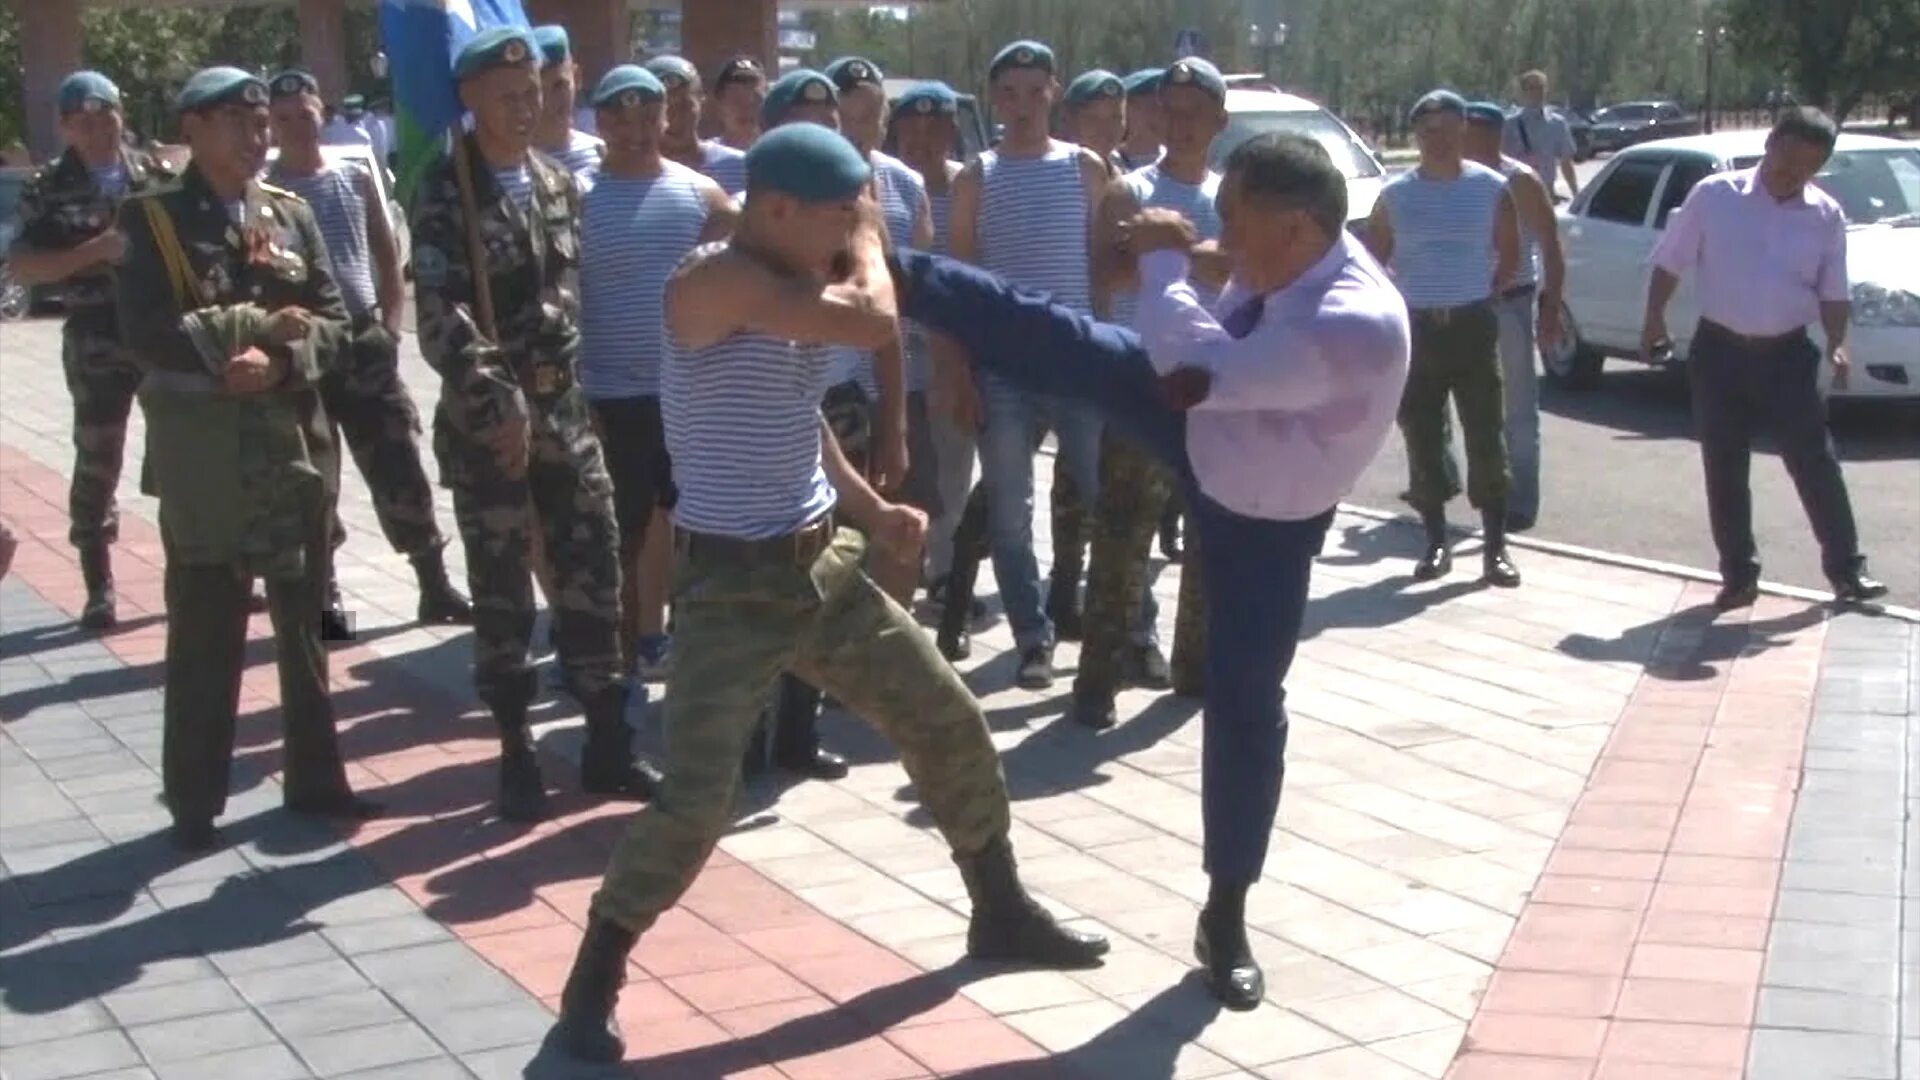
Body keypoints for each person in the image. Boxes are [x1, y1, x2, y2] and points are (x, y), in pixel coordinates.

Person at [540, 123, 1109, 1064]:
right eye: (837, 217)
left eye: (856, 218)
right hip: (729, 585)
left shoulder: (792, 291)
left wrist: (873, 509)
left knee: (947, 716)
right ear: (773, 210)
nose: (850, 232)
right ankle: (591, 983)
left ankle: (1000, 910)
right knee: (695, 802)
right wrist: (876, 244)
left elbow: (797, 420)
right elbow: (874, 320)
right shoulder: (712, 283)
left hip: (821, 568)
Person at [893, 131, 1409, 1009]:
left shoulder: (1352, 322)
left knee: (1248, 709)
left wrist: (1168, 264)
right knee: (1059, 336)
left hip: (1263, 520)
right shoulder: (1300, 250)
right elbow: (1217, 319)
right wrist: (1207, 261)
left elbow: (1193, 368)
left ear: (1296, 225)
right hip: (1208, 427)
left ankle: (1226, 915)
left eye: (1236, 215)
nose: (1222, 229)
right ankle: (890, 266)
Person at [115, 67, 384, 851]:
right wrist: (243, 344)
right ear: (190, 127)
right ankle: (194, 801)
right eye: (235, 118)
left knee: (307, 623)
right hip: (208, 461)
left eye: (261, 118)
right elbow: (146, 330)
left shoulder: (289, 214)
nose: (255, 132)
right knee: (205, 628)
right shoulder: (154, 218)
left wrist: (286, 365)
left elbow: (339, 322)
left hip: (294, 450)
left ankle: (316, 780)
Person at [409, 27, 660, 822]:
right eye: (509, 96)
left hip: (566, 413)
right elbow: (438, 314)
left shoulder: (558, 183)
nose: (527, 107)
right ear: (471, 99)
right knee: (503, 590)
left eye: (538, 93)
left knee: (595, 571)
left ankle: (606, 743)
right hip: (495, 426)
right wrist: (495, 398)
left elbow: (569, 302)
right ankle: (515, 747)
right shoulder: (446, 187)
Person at [1642, 107, 1887, 609]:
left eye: (1806, 169)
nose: (1791, 176)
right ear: (1771, 143)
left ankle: (1847, 570)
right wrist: (1654, 319)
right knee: (1725, 465)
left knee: (1815, 463)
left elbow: (1833, 290)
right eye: (1786, 162)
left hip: (1787, 355)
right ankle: (1738, 575)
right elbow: (1669, 262)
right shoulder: (1715, 198)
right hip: (1720, 352)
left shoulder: (1824, 215)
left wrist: (1837, 340)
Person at [266, 69, 473, 633]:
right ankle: (325, 600)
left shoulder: (354, 174)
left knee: (398, 463)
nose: (296, 126)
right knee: (315, 478)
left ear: (321, 111)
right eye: (282, 119)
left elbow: (387, 255)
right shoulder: (262, 191)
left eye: (304, 114)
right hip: (304, 349)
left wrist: (388, 325)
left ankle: (434, 584)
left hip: (362, 343)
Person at [946, 40, 1107, 687]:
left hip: (1073, 361)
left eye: (1033, 91)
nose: (1021, 106)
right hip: (1003, 368)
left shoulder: (1085, 168)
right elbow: (958, 283)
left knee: (1105, 499)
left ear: (1054, 93)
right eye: (1008, 93)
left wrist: (1109, 355)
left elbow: (1104, 273)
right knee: (1010, 513)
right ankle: (1032, 638)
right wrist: (959, 370)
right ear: (993, 99)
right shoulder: (975, 177)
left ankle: (1134, 630)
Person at [1078, 56, 1230, 728]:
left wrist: (1171, 248)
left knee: (1209, 535)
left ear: (1220, 121)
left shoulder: (1233, 196)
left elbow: (1246, 272)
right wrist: (1194, 255)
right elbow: (1108, 275)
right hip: (1143, 380)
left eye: (1195, 109)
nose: (1182, 120)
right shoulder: (1129, 190)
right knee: (1119, 538)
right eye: (1170, 107)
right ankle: (1097, 680)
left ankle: (1194, 669)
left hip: (1218, 388)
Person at [577, 64, 735, 679]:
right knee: (620, 527)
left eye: (649, 115)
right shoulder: (573, 195)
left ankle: (657, 636)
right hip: (608, 394)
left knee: (683, 523)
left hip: (687, 393)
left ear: (665, 118)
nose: (636, 129)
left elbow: (734, 286)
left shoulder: (702, 195)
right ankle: (605, 646)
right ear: (602, 121)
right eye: (621, 116)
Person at [7, 71, 173, 631]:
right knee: (99, 456)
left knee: (180, 452)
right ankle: (99, 584)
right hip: (96, 335)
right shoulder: (49, 187)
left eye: (108, 119)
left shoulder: (152, 174)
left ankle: (201, 570)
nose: (100, 131)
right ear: (65, 128)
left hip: (158, 333)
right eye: (85, 123)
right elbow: (25, 266)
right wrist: (93, 252)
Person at [1364, 90, 1520, 587]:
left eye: (1448, 130)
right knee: (1423, 437)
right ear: (1417, 136)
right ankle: (1436, 542)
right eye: (1428, 132)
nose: (1438, 140)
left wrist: (1479, 293)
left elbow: (1509, 254)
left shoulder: (1491, 188)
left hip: (1473, 324)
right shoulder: (1395, 195)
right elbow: (1372, 260)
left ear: (1463, 132)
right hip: (1418, 329)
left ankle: (1495, 549)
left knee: (1487, 435)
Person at [892, 82, 977, 613]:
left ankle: (946, 575)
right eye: (913, 129)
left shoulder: (970, 188)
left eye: (936, 129)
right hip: (895, 355)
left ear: (952, 132)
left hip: (953, 355)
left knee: (951, 472)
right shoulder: (886, 184)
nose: (923, 140)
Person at [1462, 101, 1564, 531]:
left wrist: (1551, 308)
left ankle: (1521, 503)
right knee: (1477, 408)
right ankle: (1491, 495)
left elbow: (1551, 245)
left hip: (1511, 304)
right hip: (1465, 304)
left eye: (1468, 131)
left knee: (1518, 410)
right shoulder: (1457, 181)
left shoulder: (1518, 180)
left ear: (1490, 135)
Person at [532, 26, 606, 188]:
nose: (548, 101)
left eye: (559, 86)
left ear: (577, 79)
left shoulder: (601, 157)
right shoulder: (512, 166)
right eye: (538, 90)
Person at [1504, 70, 1580, 203]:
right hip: (1517, 193)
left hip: (1546, 193)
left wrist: (1576, 195)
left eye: (1541, 87)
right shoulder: (1510, 124)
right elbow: (1500, 160)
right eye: (1531, 88)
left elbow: (1566, 162)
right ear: (1523, 92)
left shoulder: (1557, 124)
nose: (1537, 92)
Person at [706, 54, 765, 190]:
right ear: (719, 103)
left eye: (756, 99)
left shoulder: (778, 155)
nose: (747, 107)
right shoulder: (704, 159)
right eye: (737, 99)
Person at [1063, 69, 1127, 175]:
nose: (1105, 128)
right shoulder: (1054, 172)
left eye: (1115, 118)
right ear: (1069, 120)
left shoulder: (1128, 173)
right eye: (1092, 118)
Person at [1118, 68, 1165, 172]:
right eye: (1152, 107)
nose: (1160, 116)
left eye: (1166, 108)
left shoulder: (1180, 164)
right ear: (1126, 109)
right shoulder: (1106, 164)